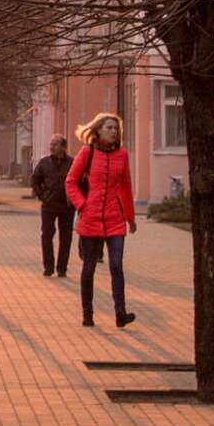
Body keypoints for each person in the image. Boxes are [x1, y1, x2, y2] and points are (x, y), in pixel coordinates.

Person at [65, 113, 138, 328]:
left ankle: (120, 314)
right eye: (109, 127)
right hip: (91, 218)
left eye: (116, 128)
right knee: (89, 269)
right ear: (97, 131)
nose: (113, 131)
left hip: (115, 219)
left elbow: (125, 187)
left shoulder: (122, 156)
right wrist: (82, 204)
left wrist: (130, 218)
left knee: (116, 266)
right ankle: (88, 314)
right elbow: (71, 181)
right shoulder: (87, 153)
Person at [31, 135, 76, 277]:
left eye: (55, 144)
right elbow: (35, 180)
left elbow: (81, 181)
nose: (51, 147)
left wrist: (76, 199)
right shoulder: (44, 163)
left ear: (63, 147)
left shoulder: (73, 163)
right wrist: (42, 195)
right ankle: (48, 267)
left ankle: (62, 268)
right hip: (48, 205)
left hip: (67, 206)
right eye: (51, 144)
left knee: (66, 237)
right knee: (47, 235)